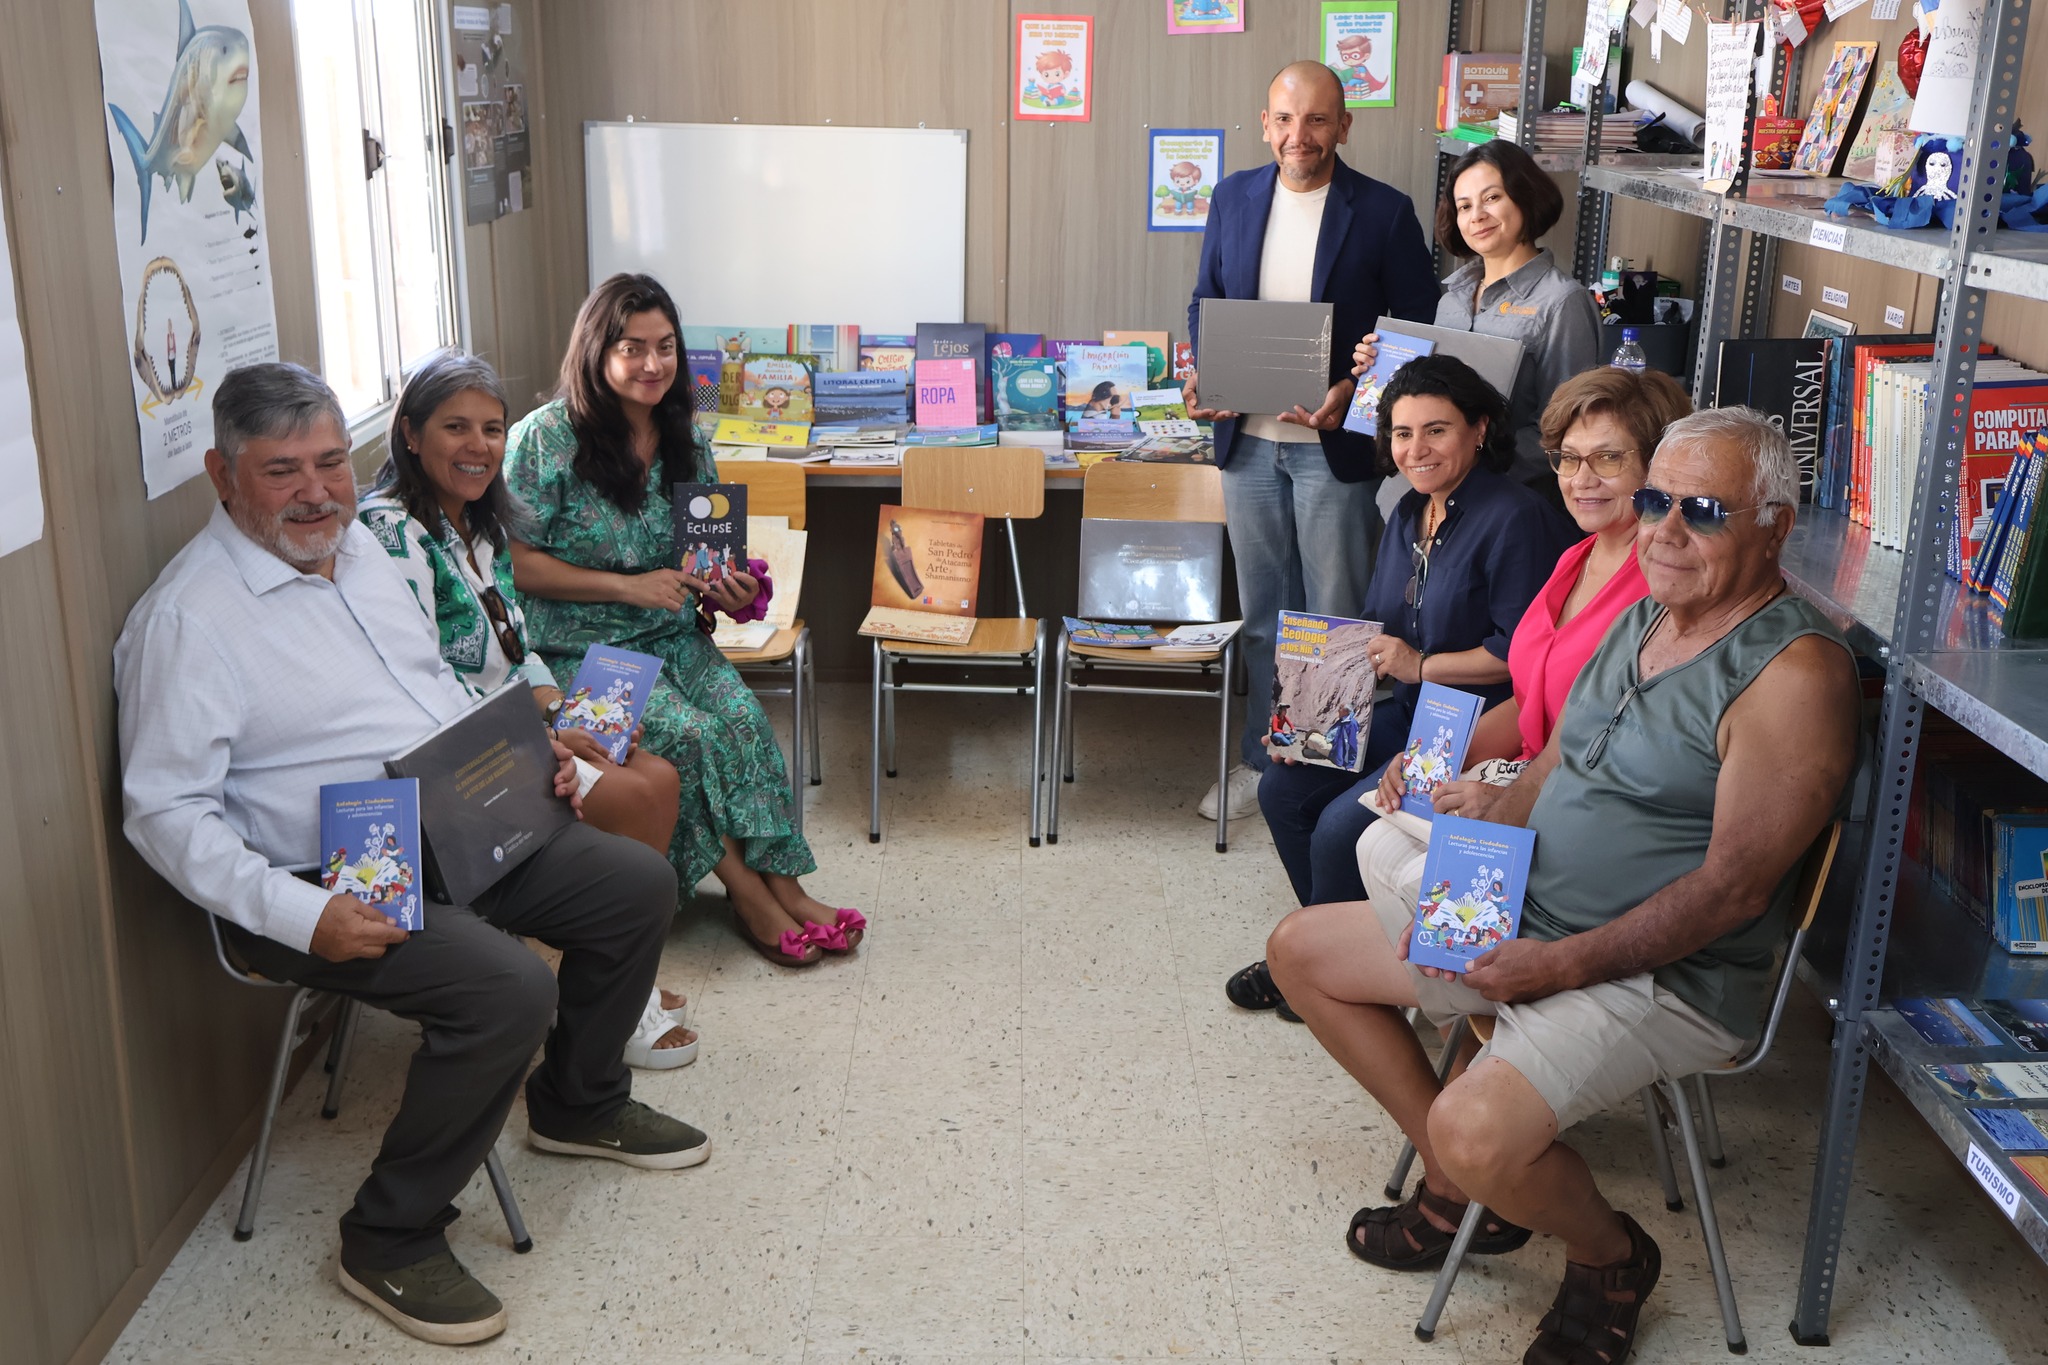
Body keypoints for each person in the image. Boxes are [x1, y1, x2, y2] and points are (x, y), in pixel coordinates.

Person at [115, 363, 710, 1346]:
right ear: (222, 475)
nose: (315, 491)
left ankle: (578, 1101)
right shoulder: (189, 619)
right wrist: (303, 914)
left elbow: (435, 691)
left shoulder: (361, 555)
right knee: (506, 991)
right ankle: (388, 1237)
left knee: (631, 882)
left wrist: (533, 762)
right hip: (322, 874)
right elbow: (163, 815)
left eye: (325, 463)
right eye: (280, 471)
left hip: (444, 820)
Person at [1265, 407, 1859, 1365]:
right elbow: (1554, 762)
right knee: (1301, 952)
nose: (1662, 529)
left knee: (1470, 1122)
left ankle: (1609, 1255)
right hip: (1531, 915)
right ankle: (1474, 1187)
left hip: (1665, 974)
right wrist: (1482, 830)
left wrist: (1557, 963)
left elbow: (1731, 894)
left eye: (1700, 509)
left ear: (1774, 526)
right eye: (1656, 499)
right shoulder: (1644, 615)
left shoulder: (1793, 674)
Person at [505, 272, 864, 968]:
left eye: (665, 347)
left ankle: (784, 884)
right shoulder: (543, 440)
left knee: (744, 719)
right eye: (632, 347)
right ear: (595, 350)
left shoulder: (686, 438)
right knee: (692, 737)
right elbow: (513, 561)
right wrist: (625, 587)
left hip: (670, 636)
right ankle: (747, 896)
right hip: (578, 651)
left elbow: (701, 565)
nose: (652, 364)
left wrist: (726, 591)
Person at [357, 348, 699, 1071]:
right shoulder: (390, 536)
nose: (479, 447)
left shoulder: (482, 522)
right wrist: (543, 732)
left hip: (516, 721)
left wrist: (554, 706)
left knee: (659, 775)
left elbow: (519, 644)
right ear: (410, 435)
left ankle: (614, 981)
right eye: (456, 428)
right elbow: (419, 683)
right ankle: (616, 1011)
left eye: (492, 428)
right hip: (461, 758)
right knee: (636, 793)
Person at [1226, 355, 1575, 1019]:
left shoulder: (1514, 518)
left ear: (1479, 428)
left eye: (1437, 430)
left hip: (1476, 726)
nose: (1417, 448)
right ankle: (1324, 951)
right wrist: (1305, 720)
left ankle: (1339, 975)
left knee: (1337, 827)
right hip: (1412, 711)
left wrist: (1422, 664)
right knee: (1284, 786)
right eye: (1403, 432)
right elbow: (1372, 632)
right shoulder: (1408, 510)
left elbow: (1518, 655)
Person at [1185, 60, 1440, 824]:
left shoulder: (1386, 212)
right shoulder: (1231, 198)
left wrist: (1356, 395)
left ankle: (1319, 776)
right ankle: (1262, 765)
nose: (1301, 136)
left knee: (1330, 618)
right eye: (1286, 120)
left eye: (1318, 120)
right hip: (1246, 442)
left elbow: (1416, 331)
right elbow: (1206, 300)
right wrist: (1205, 374)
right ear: (1265, 123)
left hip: (1333, 449)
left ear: (1343, 126)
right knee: (1264, 611)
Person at [1361, 365, 1693, 875]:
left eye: (1607, 458)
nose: (1582, 480)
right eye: (1568, 459)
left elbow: (1624, 754)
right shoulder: (1574, 560)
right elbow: (1530, 702)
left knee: (1391, 866)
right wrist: (1429, 758)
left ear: (1657, 467)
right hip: (1524, 775)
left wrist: (1513, 796)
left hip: (1583, 816)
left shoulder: (1661, 587)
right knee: (1374, 846)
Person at [1352, 140, 1603, 492]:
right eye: (1464, 206)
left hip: (1507, 496)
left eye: (1492, 198)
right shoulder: (1452, 298)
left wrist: (1472, 462)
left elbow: (1567, 430)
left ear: (1525, 196)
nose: (1477, 216)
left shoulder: (1562, 302)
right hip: (1429, 488)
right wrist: (1381, 374)